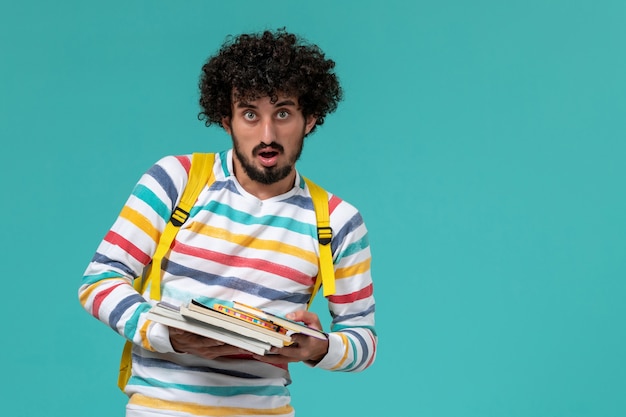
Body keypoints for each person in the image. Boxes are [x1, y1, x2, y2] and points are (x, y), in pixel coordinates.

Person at [79, 28, 376, 417]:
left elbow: (363, 340)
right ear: (226, 119)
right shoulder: (177, 180)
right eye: (250, 114)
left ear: (310, 119)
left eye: (283, 113)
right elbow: (99, 281)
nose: (267, 135)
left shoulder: (338, 220)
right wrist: (169, 335)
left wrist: (318, 347)